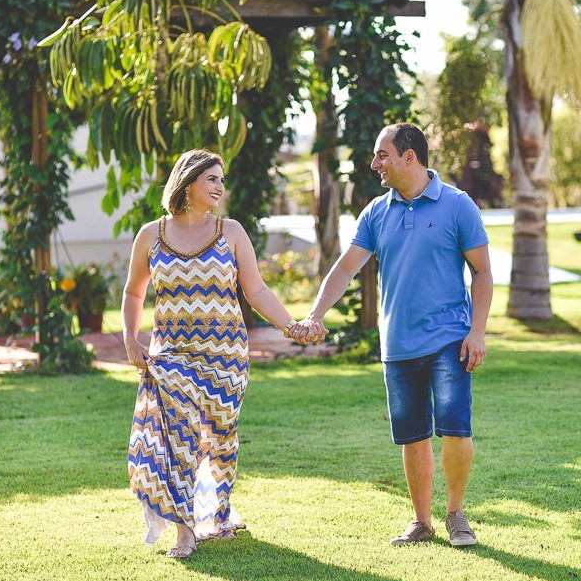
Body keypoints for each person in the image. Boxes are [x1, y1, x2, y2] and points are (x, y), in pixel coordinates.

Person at [122, 149, 323, 558]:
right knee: (179, 437)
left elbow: (257, 289)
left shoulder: (230, 231)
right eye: (211, 178)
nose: (219, 187)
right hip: (171, 353)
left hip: (226, 356)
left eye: (221, 179)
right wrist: (130, 338)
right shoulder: (151, 234)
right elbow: (133, 291)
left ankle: (217, 512)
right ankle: (184, 530)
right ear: (188, 181)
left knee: (220, 437)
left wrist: (290, 326)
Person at [301, 123, 492, 547]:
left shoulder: (457, 206)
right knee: (412, 435)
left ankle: (456, 515)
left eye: (382, 155)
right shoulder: (376, 212)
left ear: (410, 157)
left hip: (449, 338)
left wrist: (477, 332)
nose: (375, 164)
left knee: (456, 428)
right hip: (399, 343)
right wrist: (316, 314)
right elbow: (346, 267)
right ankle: (421, 522)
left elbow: (482, 271)